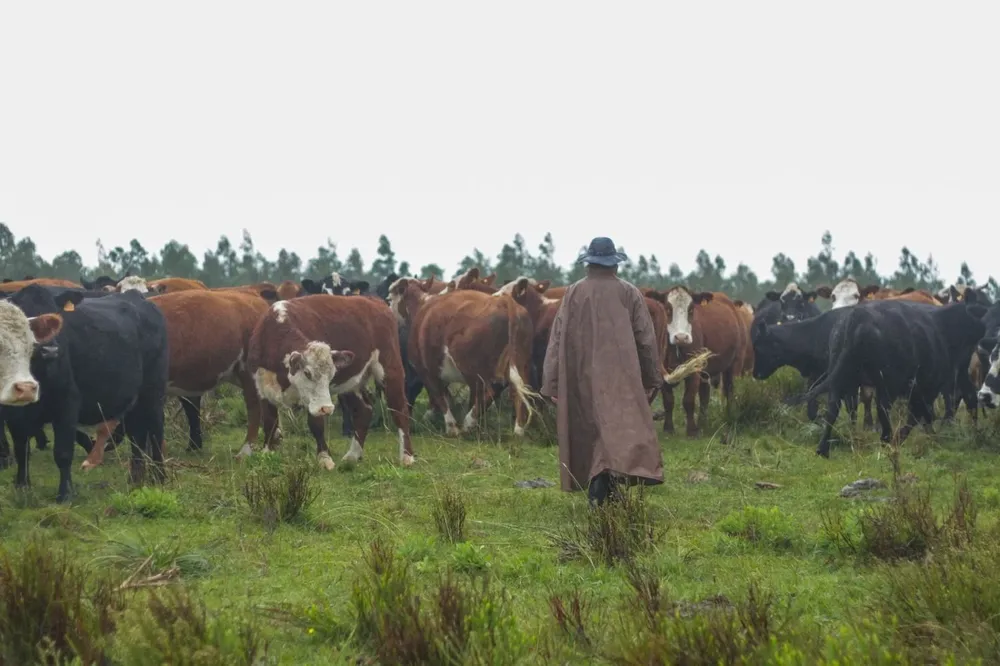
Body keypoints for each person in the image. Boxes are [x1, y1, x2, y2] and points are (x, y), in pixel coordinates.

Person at [540, 237, 664, 507]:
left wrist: (552, 383)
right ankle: (605, 488)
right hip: (623, 377)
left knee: (593, 430)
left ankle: (603, 489)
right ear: (614, 265)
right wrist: (652, 378)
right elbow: (646, 339)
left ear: (588, 264)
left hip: (580, 375)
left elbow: (556, 339)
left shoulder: (572, 293)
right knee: (619, 430)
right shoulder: (629, 293)